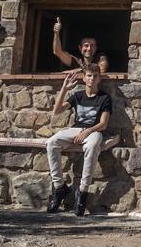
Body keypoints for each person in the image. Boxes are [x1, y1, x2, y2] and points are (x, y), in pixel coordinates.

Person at [45, 64, 112, 217]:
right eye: (89, 75)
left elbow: (103, 124)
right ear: (84, 78)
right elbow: (56, 111)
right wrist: (64, 89)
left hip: (94, 131)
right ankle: (59, 187)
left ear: (99, 79)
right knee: (51, 143)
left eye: (95, 76)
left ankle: (82, 192)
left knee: (93, 145)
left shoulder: (104, 98)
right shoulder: (78, 96)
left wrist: (88, 131)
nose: (92, 78)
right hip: (75, 130)